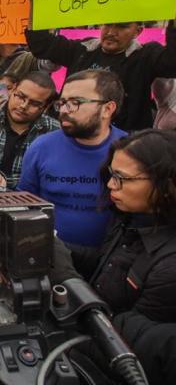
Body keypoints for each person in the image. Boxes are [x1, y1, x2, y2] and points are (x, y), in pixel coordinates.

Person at [66, 129, 176, 384]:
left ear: (167, 183)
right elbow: (105, 263)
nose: (110, 185)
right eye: (111, 174)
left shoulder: (170, 266)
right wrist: (52, 248)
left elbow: (127, 344)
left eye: (122, 178)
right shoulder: (128, 218)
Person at [23, 0, 176, 131]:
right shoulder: (82, 50)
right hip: (75, 137)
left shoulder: (145, 56)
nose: (111, 32)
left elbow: (173, 62)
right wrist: (37, 3)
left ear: (137, 31)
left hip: (124, 147)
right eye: (107, 24)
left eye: (121, 26)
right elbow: (41, 45)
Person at [18, 70, 126, 247]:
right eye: (62, 102)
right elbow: (23, 206)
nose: (64, 111)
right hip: (50, 257)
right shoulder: (41, 147)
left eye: (76, 103)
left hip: (109, 262)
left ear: (107, 109)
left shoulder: (129, 150)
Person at [0, 71, 59, 189]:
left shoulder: (54, 130)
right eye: (20, 96)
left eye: (34, 103)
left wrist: (5, 181)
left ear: (46, 106)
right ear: (13, 89)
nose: (24, 106)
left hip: (30, 201)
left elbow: (48, 174)